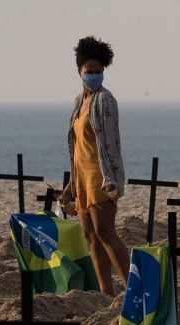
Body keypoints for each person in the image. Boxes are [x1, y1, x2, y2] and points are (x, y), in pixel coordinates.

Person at [60, 36, 130, 296]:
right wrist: (69, 188)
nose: (95, 77)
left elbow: (111, 145)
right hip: (81, 178)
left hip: (101, 177)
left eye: (99, 72)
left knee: (106, 232)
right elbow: (78, 149)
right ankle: (106, 293)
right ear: (79, 71)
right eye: (90, 72)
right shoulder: (79, 103)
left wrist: (113, 181)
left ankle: (133, 288)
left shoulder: (105, 101)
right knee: (91, 237)